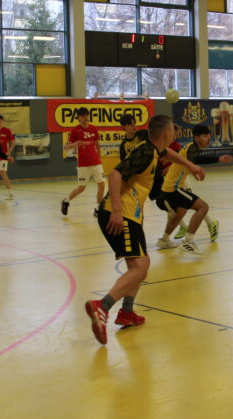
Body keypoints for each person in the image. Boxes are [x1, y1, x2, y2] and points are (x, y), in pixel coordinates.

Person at [84, 115, 205, 344]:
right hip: (121, 214)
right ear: (166, 134)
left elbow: (168, 154)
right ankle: (103, 306)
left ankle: (127, 312)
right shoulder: (145, 152)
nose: (175, 134)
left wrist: (191, 166)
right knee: (140, 267)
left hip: (130, 214)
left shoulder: (154, 149)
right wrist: (117, 210)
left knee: (140, 265)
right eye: (173, 131)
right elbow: (115, 174)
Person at [155, 124, 233, 253]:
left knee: (180, 212)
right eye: (205, 136)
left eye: (209, 136)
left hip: (170, 187)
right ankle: (188, 241)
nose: (208, 139)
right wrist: (218, 158)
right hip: (173, 188)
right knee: (203, 207)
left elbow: (190, 161)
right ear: (196, 138)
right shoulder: (191, 147)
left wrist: (193, 170)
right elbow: (196, 158)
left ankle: (164, 239)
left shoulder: (191, 148)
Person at [61, 107, 105, 217]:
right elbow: (66, 147)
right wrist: (76, 144)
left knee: (102, 185)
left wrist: (99, 157)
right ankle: (66, 201)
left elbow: (97, 144)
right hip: (83, 164)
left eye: (87, 115)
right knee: (81, 188)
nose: (86, 117)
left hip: (96, 162)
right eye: (83, 115)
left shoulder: (93, 129)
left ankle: (98, 208)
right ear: (79, 117)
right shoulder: (75, 130)